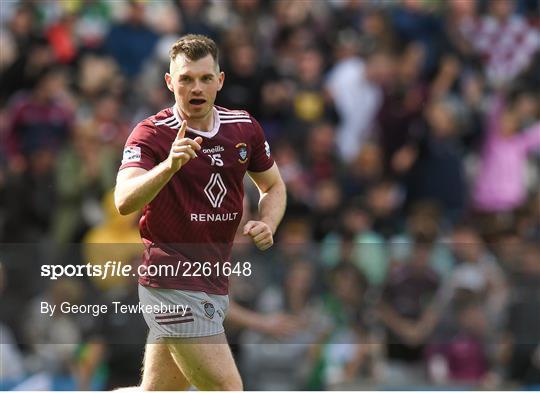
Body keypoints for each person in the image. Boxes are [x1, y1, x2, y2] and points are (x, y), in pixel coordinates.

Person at [114, 34, 286, 390]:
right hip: (170, 281)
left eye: (206, 78)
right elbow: (124, 200)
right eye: (186, 79)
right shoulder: (151, 134)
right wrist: (168, 166)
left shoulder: (243, 128)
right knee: (227, 388)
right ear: (169, 82)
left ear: (220, 81)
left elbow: (273, 186)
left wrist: (268, 221)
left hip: (213, 281)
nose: (196, 87)